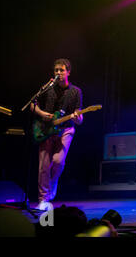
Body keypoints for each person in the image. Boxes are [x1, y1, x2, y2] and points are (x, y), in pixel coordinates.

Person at [30, 58, 83, 211]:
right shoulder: (47, 88)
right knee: (43, 166)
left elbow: (79, 118)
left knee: (58, 161)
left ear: (68, 72)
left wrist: (78, 117)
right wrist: (41, 113)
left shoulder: (75, 91)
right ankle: (43, 199)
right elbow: (33, 105)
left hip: (66, 129)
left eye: (62, 70)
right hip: (46, 129)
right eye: (56, 70)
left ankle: (53, 183)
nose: (59, 73)